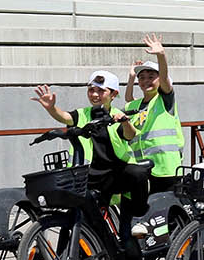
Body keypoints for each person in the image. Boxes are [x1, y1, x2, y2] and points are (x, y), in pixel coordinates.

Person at [34, 71, 146, 219]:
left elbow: (129, 135)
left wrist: (125, 121)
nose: (94, 95)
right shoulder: (82, 114)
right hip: (87, 175)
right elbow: (65, 117)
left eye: (101, 91)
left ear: (113, 95)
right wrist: (51, 108)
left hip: (114, 174)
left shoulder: (117, 115)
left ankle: (139, 218)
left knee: (138, 174)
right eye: (91, 90)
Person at [125, 36, 184, 193]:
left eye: (151, 77)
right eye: (142, 78)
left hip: (166, 167)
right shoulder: (135, 105)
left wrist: (161, 55)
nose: (146, 81)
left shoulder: (164, 99)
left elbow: (164, 80)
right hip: (142, 166)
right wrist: (131, 78)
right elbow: (128, 101)